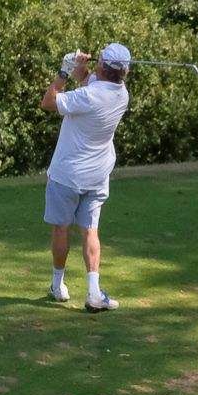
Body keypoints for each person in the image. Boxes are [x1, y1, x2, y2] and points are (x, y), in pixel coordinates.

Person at [39, 43, 131, 312]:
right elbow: (89, 79)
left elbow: (48, 102)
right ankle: (93, 293)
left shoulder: (89, 96)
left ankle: (58, 285)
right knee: (90, 231)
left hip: (67, 173)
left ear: (102, 66)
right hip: (97, 174)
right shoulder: (121, 94)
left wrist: (64, 71)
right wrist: (81, 69)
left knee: (61, 228)